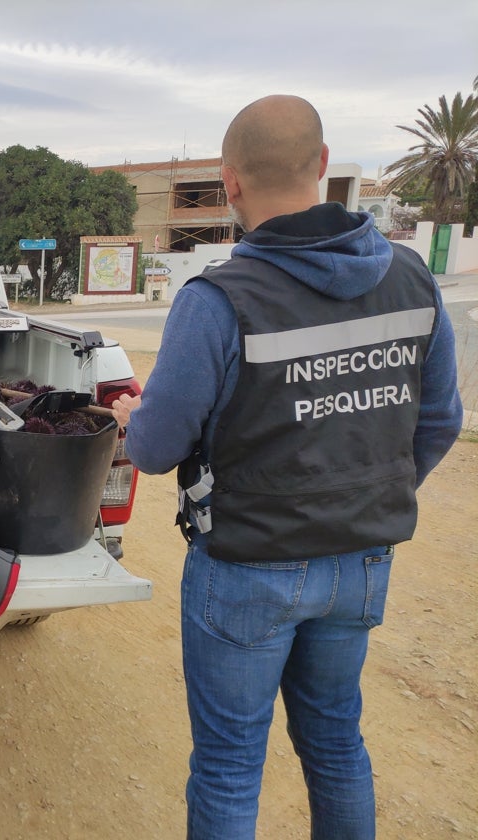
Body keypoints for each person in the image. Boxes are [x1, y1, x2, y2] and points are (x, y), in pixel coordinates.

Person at [111, 95, 462, 839]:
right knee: (337, 744)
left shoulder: (218, 300)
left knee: (232, 766)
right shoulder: (413, 282)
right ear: (324, 167)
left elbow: (155, 446)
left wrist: (133, 420)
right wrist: (364, 499)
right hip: (362, 561)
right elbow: (438, 424)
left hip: (247, 568)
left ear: (230, 184)